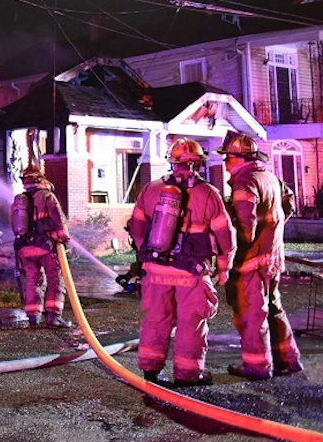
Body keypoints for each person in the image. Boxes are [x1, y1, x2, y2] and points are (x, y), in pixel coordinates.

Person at [128, 138, 236, 387]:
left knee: (156, 317)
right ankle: (188, 374)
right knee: (192, 321)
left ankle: (150, 370)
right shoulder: (209, 193)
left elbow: (136, 225)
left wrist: (149, 252)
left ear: (172, 163)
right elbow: (225, 235)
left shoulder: (152, 189)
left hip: (156, 269)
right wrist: (224, 265)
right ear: (198, 163)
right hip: (191, 272)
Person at [216, 131, 304, 380]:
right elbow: (289, 204)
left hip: (252, 261)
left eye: (227, 159)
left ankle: (258, 366)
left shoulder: (245, 182)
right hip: (273, 258)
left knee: (251, 313)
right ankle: (288, 360)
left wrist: (225, 239)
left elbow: (245, 228)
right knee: (274, 308)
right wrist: (272, 231)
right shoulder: (269, 177)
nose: (225, 164)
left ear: (239, 158)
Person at [10, 164, 72, 328]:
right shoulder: (47, 196)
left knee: (33, 281)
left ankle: (33, 317)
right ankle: (53, 316)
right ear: (40, 178)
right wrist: (65, 241)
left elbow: (15, 226)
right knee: (55, 280)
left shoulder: (19, 200)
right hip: (45, 246)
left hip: (25, 249)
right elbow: (60, 221)